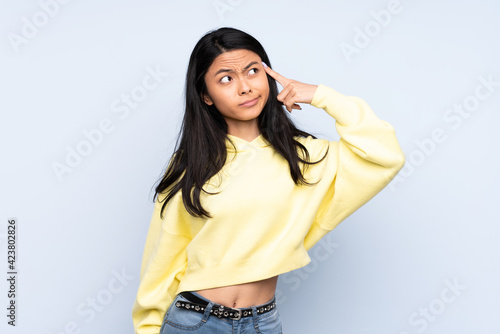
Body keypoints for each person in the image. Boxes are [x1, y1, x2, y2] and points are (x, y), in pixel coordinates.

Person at [131, 27, 406, 334]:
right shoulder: (192, 165)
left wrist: (321, 95)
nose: (245, 87)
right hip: (195, 322)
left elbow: (385, 155)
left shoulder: (306, 158)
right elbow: (163, 254)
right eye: (226, 78)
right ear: (206, 95)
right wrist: (148, 326)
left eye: (252, 71)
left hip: (263, 323)